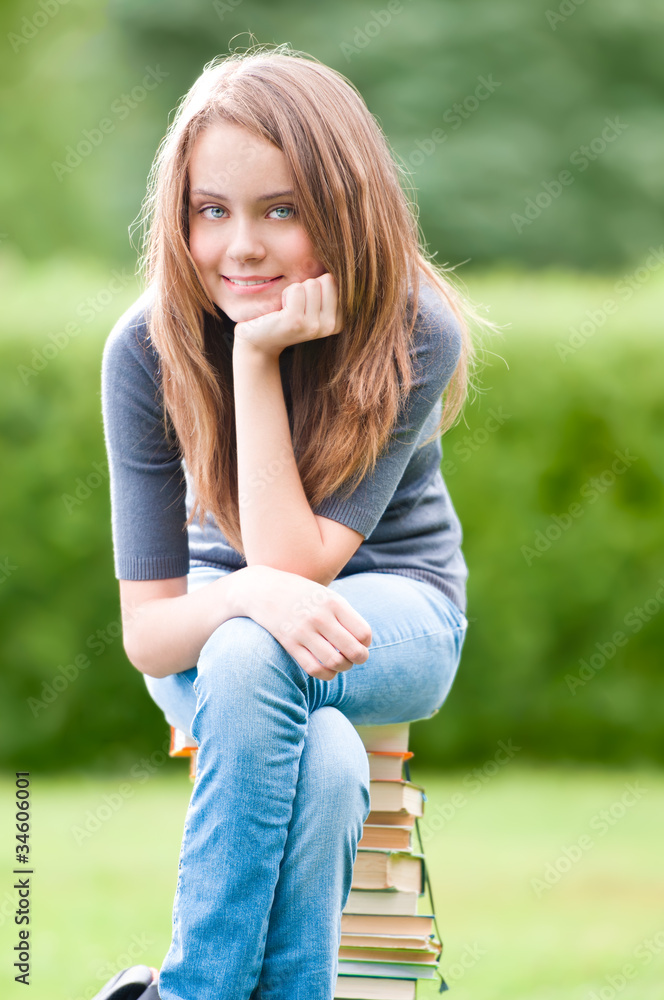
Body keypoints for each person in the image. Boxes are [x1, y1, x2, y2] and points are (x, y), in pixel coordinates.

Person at [99, 43, 484, 1000]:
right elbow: (150, 633)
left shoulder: (413, 331)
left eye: (282, 210)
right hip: (216, 608)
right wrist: (243, 596)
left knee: (254, 649)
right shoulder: (145, 349)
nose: (241, 247)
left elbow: (292, 567)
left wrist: (256, 359)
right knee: (322, 753)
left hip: (394, 606)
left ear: (344, 207)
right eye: (211, 211)